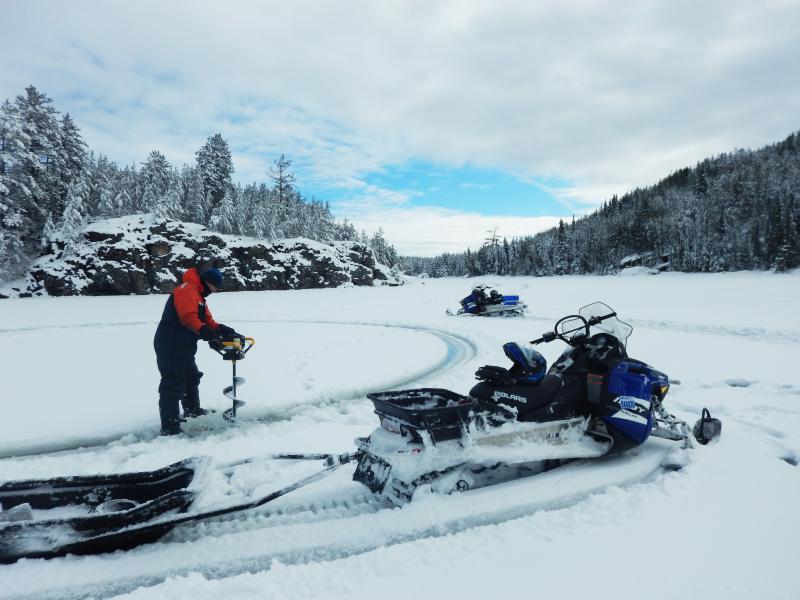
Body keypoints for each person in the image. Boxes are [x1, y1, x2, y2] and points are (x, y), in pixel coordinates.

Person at [153, 267, 237, 435]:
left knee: (191, 377)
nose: (215, 291)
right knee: (173, 382)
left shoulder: (199, 296)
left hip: (184, 345)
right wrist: (206, 333)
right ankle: (169, 427)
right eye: (215, 287)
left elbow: (207, 320)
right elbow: (188, 318)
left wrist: (221, 329)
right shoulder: (187, 289)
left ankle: (192, 410)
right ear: (208, 283)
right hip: (170, 343)